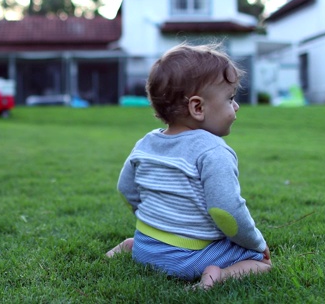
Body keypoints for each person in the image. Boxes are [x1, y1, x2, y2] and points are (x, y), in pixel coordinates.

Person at [106, 43, 272, 289]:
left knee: (146, 241)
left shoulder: (147, 142)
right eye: (230, 98)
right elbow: (226, 212)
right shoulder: (213, 150)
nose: (236, 107)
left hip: (146, 248)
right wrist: (256, 243)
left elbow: (125, 188)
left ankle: (130, 246)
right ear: (198, 107)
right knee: (261, 262)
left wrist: (158, 221)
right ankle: (217, 275)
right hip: (186, 259)